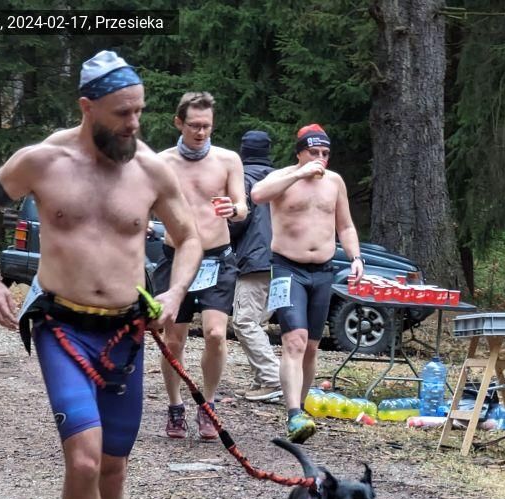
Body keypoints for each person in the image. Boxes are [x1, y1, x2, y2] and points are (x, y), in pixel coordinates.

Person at [0, 51, 201, 499]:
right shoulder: (42, 161)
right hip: (61, 328)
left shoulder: (150, 169)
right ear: (87, 107)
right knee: (86, 461)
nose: (134, 124)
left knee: (114, 467)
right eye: (122, 113)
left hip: (125, 333)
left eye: (139, 112)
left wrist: (174, 293)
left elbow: (189, 237)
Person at [251, 124, 364, 443]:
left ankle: (300, 410)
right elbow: (257, 195)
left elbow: (345, 226)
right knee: (295, 341)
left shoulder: (334, 182)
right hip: (287, 268)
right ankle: (292, 414)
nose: (320, 158)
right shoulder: (283, 178)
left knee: (312, 346)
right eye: (313, 152)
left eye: (325, 153)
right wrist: (300, 173)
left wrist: (356, 258)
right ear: (299, 153)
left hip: (323, 270)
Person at [153, 92, 246, 441]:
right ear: (179, 123)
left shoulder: (228, 160)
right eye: (194, 125)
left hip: (217, 257)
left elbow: (242, 206)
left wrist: (233, 210)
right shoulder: (162, 162)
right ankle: (175, 405)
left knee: (216, 334)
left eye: (206, 126)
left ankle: (208, 403)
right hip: (175, 257)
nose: (201, 132)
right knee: (173, 338)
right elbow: (143, 202)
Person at [229, 130, 282, 403]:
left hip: (255, 260)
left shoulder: (243, 179)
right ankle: (263, 380)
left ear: (244, 150)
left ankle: (273, 378)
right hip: (282, 261)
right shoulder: (281, 179)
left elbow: (238, 221)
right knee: (258, 322)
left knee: (244, 321)